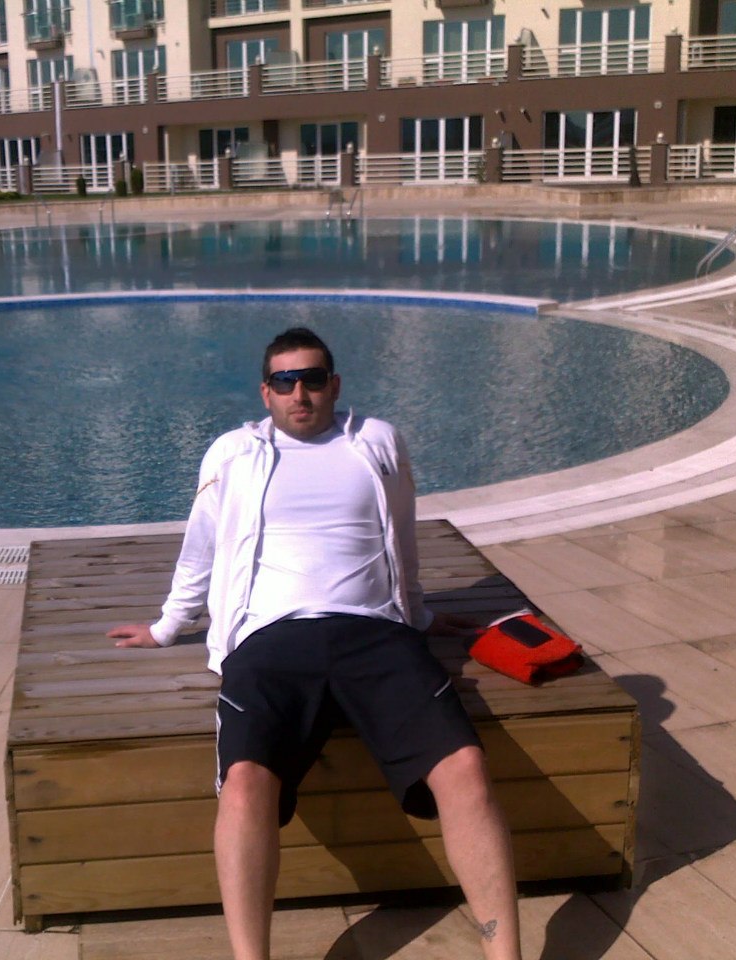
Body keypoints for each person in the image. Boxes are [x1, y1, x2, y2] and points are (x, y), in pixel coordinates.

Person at [107, 327, 522, 960]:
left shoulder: (377, 442)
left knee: (464, 766)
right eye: (284, 381)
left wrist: (420, 614)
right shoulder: (232, 454)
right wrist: (167, 626)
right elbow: (201, 547)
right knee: (244, 784)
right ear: (265, 392)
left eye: (312, 379)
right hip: (268, 639)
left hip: (374, 632)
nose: (299, 393)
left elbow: (402, 538)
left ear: (335, 384)